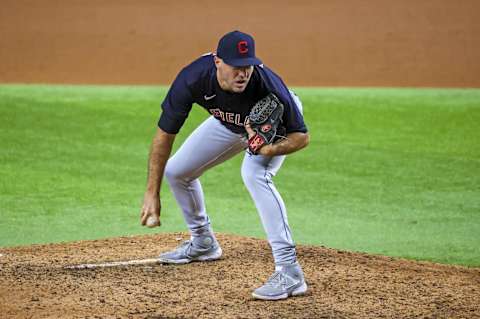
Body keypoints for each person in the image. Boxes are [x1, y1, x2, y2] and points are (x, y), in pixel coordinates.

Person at [140, 30, 309, 301]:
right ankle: (203, 242)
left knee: (254, 174)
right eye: (236, 67)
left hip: (273, 128)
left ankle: (289, 272)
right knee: (177, 171)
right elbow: (164, 135)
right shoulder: (192, 78)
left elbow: (301, 136)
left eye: (247, 66)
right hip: (230, 125)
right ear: (217, 61)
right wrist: (152, 192)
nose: (243, 73)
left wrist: (271, 148)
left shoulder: (269, 85)